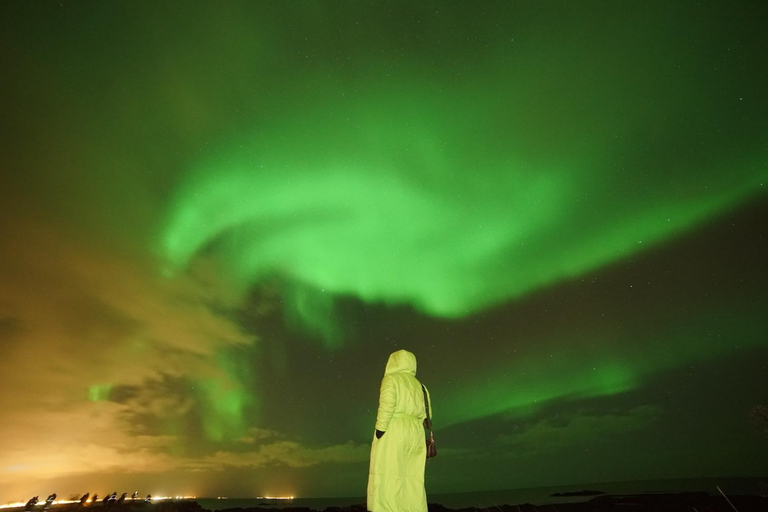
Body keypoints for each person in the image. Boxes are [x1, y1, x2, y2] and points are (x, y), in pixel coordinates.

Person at [367, 349, 432, 512]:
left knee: (388, 473)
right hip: (415, 433)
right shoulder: (420, 385)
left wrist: (380, 430)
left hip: (394, 429)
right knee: (413, 477)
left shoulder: (391, 379)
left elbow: (387, 405)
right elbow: (427, 415)